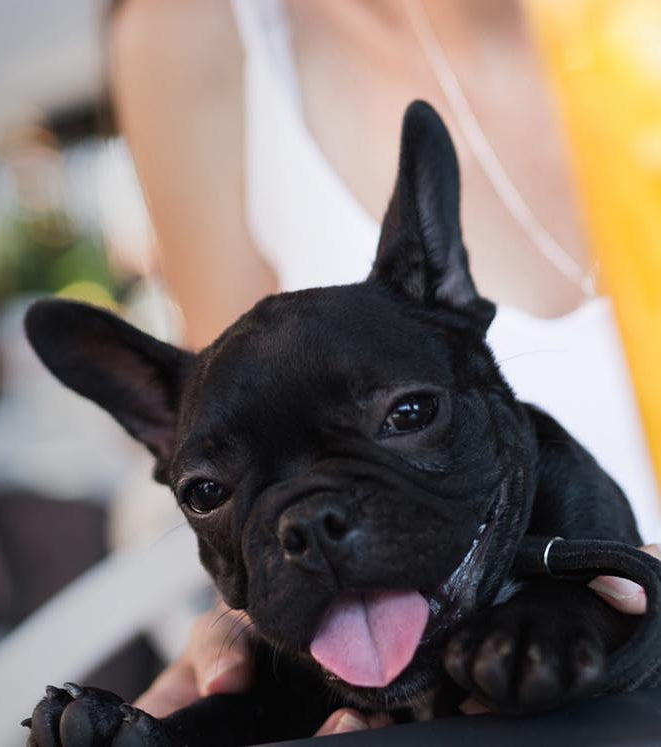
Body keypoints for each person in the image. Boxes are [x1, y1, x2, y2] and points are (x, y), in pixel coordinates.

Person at [108, 0, 661, 735]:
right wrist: (255, 680)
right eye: (206, 491)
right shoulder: (189, 31)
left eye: (405, 416)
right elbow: (227, 402)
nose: (316, 513)